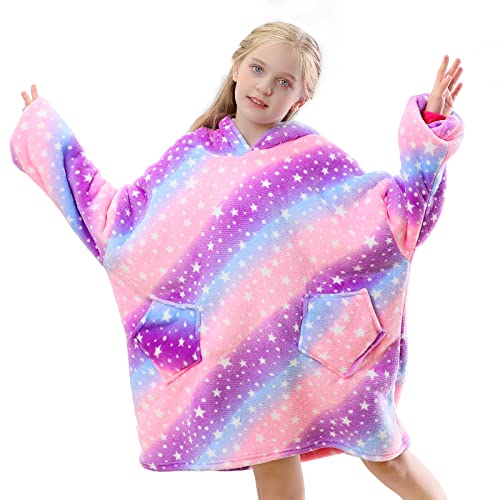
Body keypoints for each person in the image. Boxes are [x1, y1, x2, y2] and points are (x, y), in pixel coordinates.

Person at [15, 21, 463, 500]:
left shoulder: (313, 158)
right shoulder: (192, 156)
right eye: (258, 69)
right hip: (241, 352)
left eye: (283, 81)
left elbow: (396, 219)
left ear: (300, 100)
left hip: (313, 347)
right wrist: (48, 140)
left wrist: (430, 127)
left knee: (387, 456)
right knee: (273, 469)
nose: (265, 87)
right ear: (236, 68)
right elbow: (119, 223)